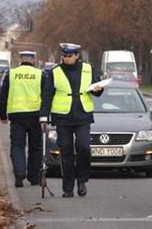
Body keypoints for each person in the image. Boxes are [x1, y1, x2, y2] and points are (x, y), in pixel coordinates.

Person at [40, 43, 103, 198]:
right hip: (62, 116)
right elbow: (47, 95)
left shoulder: (88, 69)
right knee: (66, 152)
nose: (66, 59)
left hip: (83, 115)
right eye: (64, 56)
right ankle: (68, 187)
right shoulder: (55, 72)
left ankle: (82, 180)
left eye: (69, 56)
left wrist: (99, 90)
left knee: (84, 147)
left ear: (77, 56)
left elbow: (97, 90)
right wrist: (43, 117)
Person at [0, 51, 44, 187]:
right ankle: (33, 177)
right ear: (34, 60)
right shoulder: (40, 74)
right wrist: (45, 116)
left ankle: (19, 172)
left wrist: (2, 115)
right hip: (35, 116)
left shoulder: (11, 74)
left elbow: (4, 96)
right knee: (35, 148)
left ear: (20, 59)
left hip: (17, 116)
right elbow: (46, 96)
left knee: (17, 146)